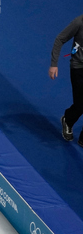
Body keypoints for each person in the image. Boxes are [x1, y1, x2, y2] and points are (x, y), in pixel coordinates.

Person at [51, 14, 83, 144]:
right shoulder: (79, 22)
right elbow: (60, 39)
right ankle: (67, 120)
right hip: (78, 68)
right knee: (80, 105)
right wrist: (54, 64)